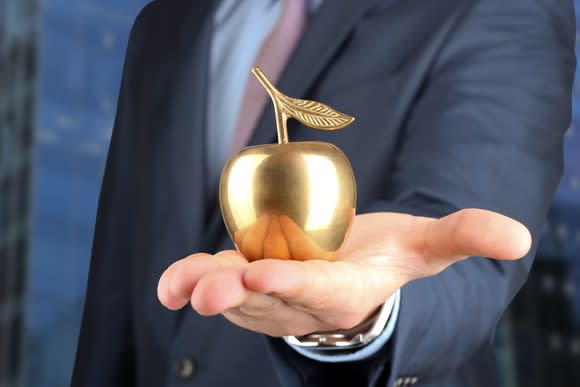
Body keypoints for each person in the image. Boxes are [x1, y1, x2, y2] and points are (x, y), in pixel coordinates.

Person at [71, 0, 576, 386]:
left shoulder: (495, 7)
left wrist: (363, 322)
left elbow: (459, 250)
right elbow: (119, 271)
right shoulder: (167, 23)